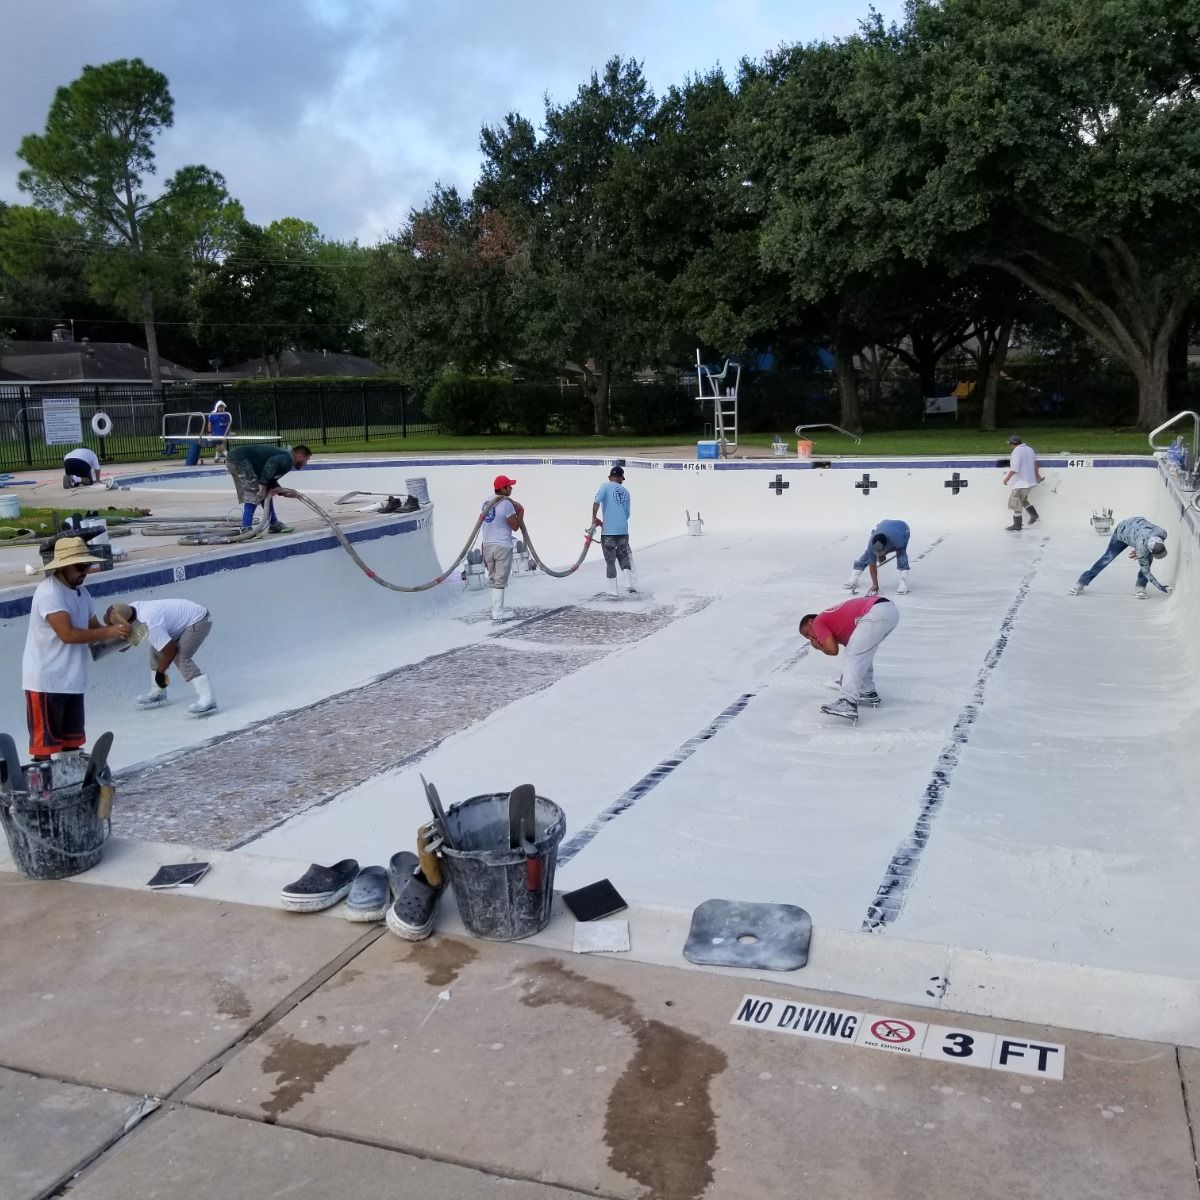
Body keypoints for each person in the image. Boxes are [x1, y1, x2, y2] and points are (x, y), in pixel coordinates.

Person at [21, 537, 130, 759]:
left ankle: (70, 779)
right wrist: (109, 632)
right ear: (63, 567)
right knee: (44, 750)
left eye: (87, 566)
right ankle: (43, 782)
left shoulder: (82, 593)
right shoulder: (50, 593)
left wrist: (119, 641)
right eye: (80, 567)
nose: (85, 572)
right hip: (46, 682)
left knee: (71, 747)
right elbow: (68, 635)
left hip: (72, 682)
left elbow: (94, 630)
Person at [104, 599, 216, 715]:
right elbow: (126, 645)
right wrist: (116, 643)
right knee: (156, 652)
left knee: (181, 657)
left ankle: (208, 698)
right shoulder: (128, 610)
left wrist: (160, 673)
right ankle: (158, 692)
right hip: (181, 620)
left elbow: (171, 650)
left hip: (199, 620)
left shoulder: (150, 624)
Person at [799, 595, 900, 723]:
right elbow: (858, 657)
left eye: (808, 634)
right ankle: (867, 691)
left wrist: (819, 647)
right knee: (861, 654)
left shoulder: (818, 622)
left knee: (853, 655)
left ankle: (847, 702)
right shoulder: (837, 624)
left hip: (876, 611)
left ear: (810, 622)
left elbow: (833, 650)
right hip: (888, 610)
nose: (811, 638)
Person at [1069, 517, 1171, 599]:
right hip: (1122, 532)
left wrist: (1141, 550)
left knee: (1147, 556)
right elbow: (1146, 571)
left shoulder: (1162, 533)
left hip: (1137, 527)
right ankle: (1082, 582)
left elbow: (1147, 543)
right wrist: (1160, 587)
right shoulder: (1141, 548)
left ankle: (1141, 585)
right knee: (1106, 559)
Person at [225, 443, 311, 533]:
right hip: (239, 459)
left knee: (265, 493)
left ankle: (274, 524)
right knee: (254, 492)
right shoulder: (287, 458)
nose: (305, 463)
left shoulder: (286, 458)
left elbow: (270, 479)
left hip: (237, 459)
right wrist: (262, 485)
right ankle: (246, 528)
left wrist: (284, 493)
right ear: (300, 456)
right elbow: (272, 463)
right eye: (306, 459)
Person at [480, 474, 523, 621]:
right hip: (502, 546)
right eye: (509, 486)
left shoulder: (485, 502)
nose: (511, 488)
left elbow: (486, 523)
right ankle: (498, 613)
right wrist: (521, 512)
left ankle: (494, 609)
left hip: (488, 545)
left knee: (493, 578)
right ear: (503, 489)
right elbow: (515, 526)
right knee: (500, 580)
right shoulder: (506, 504)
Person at [591, 464, 636, 599]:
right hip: (623, 530)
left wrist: (594, 518)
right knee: (623, 555)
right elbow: (627, 514)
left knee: (610, 559)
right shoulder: (626, 492)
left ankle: (613, 590)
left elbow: (596, 502)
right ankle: (629, 583)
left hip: (609, 532)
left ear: (610, 477)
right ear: (621, 478)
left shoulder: (605, 486)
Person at [844, 519, 911, 595]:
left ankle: (903, 582)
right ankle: (854, 576)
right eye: (876, 550)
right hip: (884, 524)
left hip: (902, 528)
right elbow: (872, 565)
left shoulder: (898, 540)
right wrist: (875, 585)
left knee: (901, 556)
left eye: (880, 550)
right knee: (868, 555)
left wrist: (883, 554)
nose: (877, 552)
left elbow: (898, 549)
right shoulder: (871, 545)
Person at [1002, 435, 1043, 531]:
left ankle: (1017, 525)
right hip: (1029, 482)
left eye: (1010, 444)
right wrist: (1037, 475)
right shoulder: (1029, 449)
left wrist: (1006, 479)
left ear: (1012, 444)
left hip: (1020, 483)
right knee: (1023, 500)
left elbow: (1014, 468)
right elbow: (1036, 463)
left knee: (1016, 502)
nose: (1009, 446)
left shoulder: (1016, 451)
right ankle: (1034, 515)